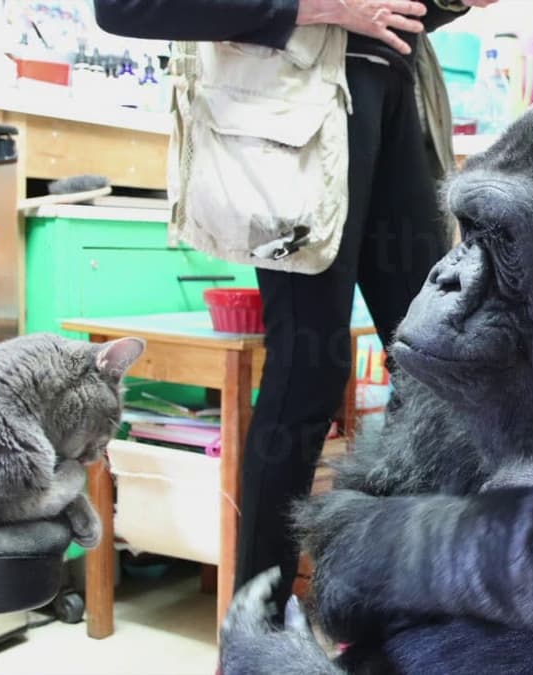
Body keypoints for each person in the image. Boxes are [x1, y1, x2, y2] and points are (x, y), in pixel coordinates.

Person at [93, 0, 498, 613]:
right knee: (310, 372)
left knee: (433, 368)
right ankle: (257, 624)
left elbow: (388, 15)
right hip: (300, 114)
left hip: (394, 97)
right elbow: (124, 8)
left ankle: (386, 602)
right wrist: (315, 6)